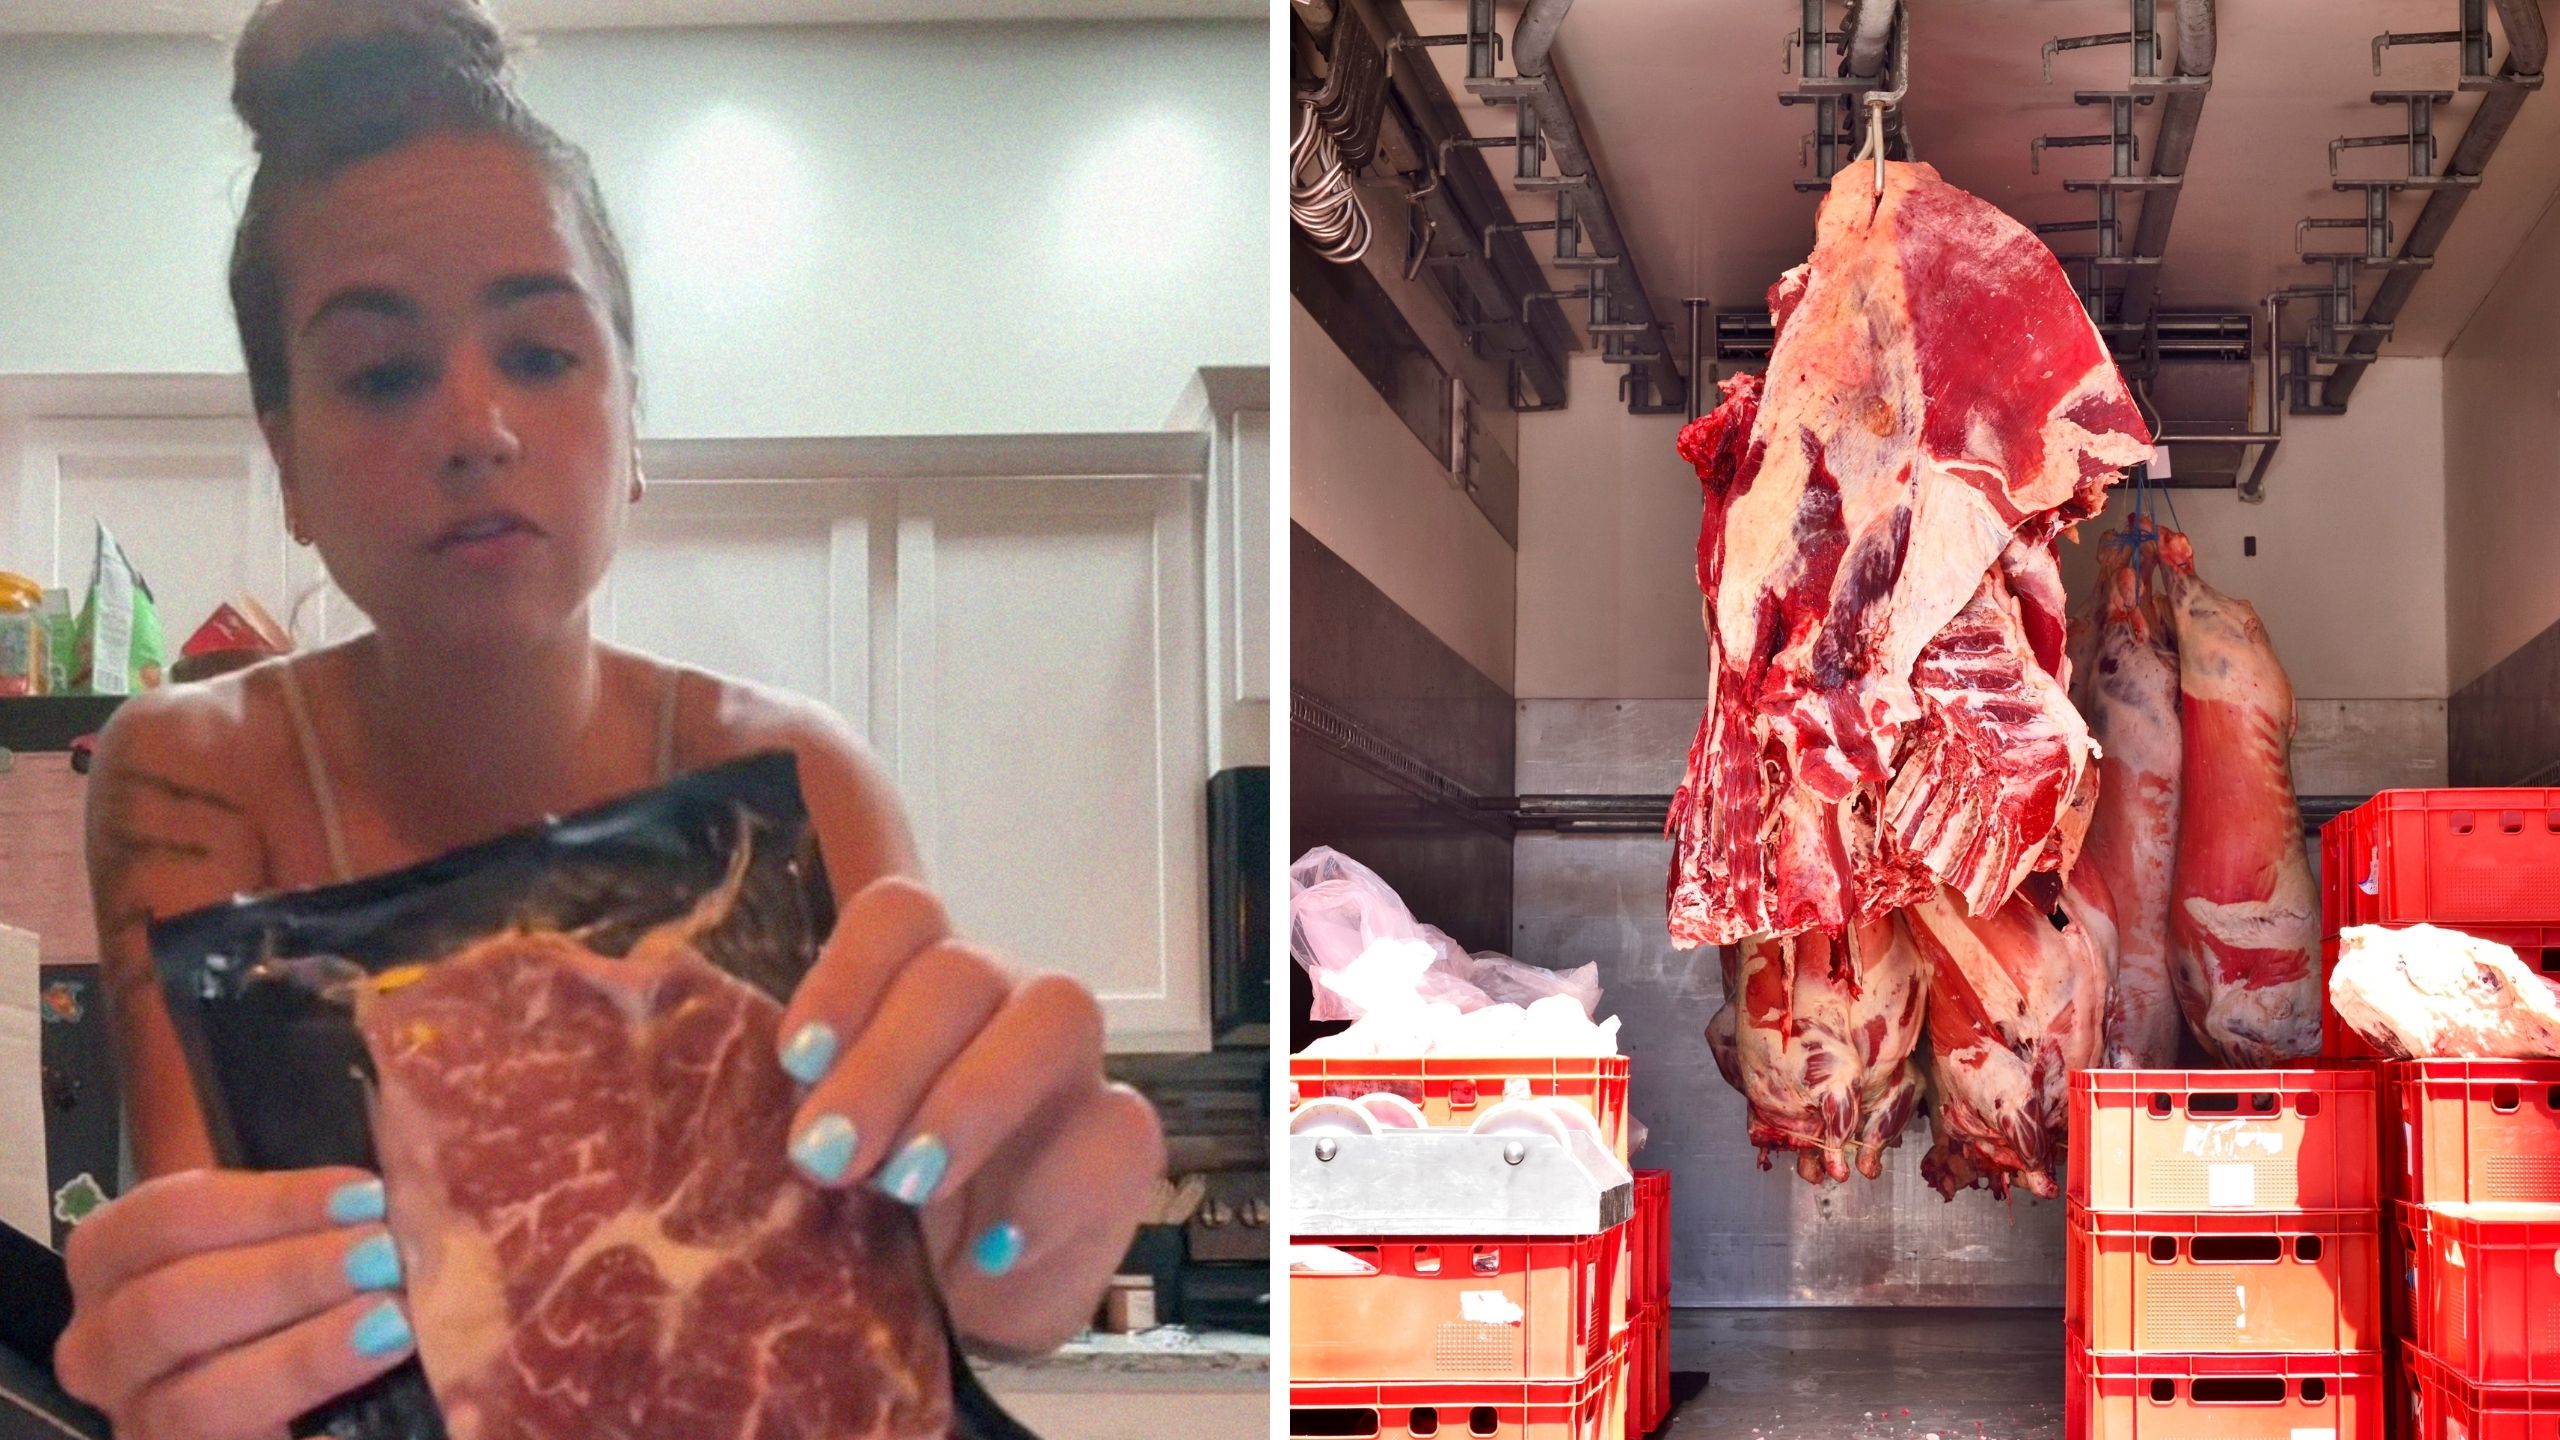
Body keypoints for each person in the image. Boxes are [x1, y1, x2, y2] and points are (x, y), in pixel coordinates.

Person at [50, 3, 1163, 1435]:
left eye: (541, 353)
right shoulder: (191, 774)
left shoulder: (800, 777)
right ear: (289, 469)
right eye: (383, 373)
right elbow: (236, 1323)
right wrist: (188, 1372)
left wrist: (999, 1249)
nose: (477, 427)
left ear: (635, 420)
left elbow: (882, 1321)